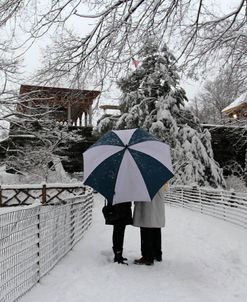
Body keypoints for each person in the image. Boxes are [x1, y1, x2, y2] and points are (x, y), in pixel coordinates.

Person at [132, 183, 168, 265]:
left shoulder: (145, 178)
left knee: (146, 229)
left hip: (147, 204)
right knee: (156, 228)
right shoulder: (159, 176)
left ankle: (147, 256)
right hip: (157, 203)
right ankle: (157, 254)